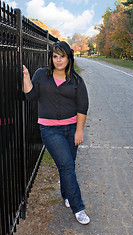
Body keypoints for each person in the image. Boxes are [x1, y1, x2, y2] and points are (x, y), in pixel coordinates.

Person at [23, 41, 90, 225]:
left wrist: (79, 131)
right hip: (50, 130)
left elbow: (82, 107)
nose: (58, 60)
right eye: (55, 56)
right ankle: (79, 208)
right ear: (51, 58)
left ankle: (66, 195)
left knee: (68, 165)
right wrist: (27, 78)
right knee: (67, 166)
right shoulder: (41, 75)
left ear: (69, 58)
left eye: (62, 56)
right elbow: (31, 96)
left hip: (71, 129)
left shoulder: (76, 81)